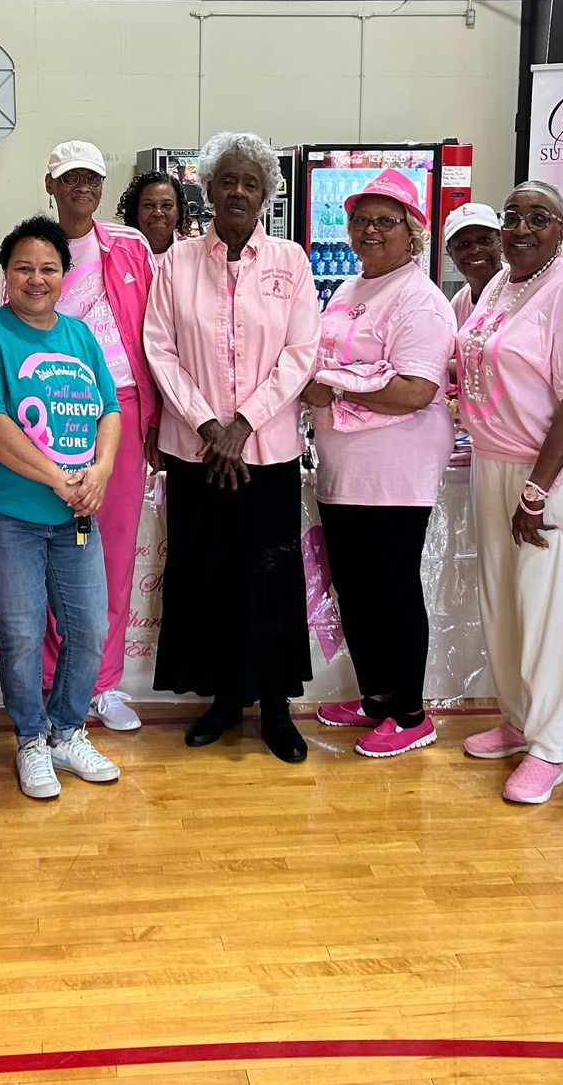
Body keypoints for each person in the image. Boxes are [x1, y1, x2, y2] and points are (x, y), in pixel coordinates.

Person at [144, 132, 321, 762]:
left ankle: (276, 707)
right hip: (197, 455)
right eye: (228, 181)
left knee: (268, 576)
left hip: (266, 453)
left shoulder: (292, 262)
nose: (239, 192)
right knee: (206, 573)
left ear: (267, 193)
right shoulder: (176, 264)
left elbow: (302, 353)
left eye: (252, 182)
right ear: (208, 189)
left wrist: (243, 423)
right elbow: (159, 348)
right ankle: (221, 700)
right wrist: (206, 426)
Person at [0, 216, 124, 798]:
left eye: (48, 268)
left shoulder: (79, 335)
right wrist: (60, 478)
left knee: (89, 628)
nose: (36, 278)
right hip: (8, 513)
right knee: (24, 631)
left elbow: (110, 410)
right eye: (24, 268)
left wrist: (99, 471)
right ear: (5, 276)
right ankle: (30, 739)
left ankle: (67, 731)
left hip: (77, 514)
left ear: (64, 275)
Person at [453, 182, 563, 804]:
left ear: (562, 230)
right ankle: (517, 720)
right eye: (511, 216)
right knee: (503, 600)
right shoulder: (498, 284)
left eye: (536, 219)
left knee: (546, 606)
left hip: (546, 471)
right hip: (490, 461)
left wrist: (539, 488)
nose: (519, 229)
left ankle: (550, 745)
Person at [300, 168, 454, 758]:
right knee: (357, 588)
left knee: (389, 588)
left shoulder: (421, 300)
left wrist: (335, 391)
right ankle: (376, 697)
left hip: (395, 470)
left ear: (413, 233)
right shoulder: (349, 288)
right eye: (361, 219)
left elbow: (416, 389)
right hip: (343, 468)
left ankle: (412, 713)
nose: (369, 230)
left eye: (385, 221)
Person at [43, 141, 159, 733]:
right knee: (53, 549)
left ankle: (102, 684)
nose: (81, 188)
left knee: (112, 551)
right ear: (51, 184)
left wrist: (158, 416)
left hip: (123, 407)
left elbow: (157, 332)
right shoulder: (37, 249)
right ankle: (52, 681)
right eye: (71, 179)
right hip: (54, 412)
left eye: (92, 178)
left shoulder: (130, 246)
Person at [443, 203, 504, 327]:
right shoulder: (458, 304)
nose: (475, 250)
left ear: (501, 242)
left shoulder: (521, 291)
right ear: (450, 253)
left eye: (484, 240)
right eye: (463, 244)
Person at [118, 171, 190, 259]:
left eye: (166, 206)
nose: (158, 213)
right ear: (135, 210)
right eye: (148, 205)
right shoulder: (118, 253)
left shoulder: (192, 253)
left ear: (179, 211)